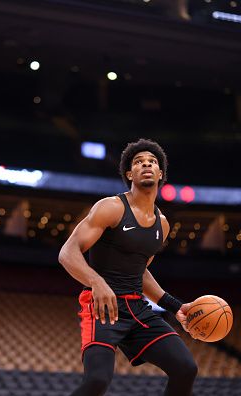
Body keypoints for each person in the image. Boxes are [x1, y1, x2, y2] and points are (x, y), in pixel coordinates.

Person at [59, 139, 198, 395]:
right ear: (129, 174)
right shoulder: (111, 207)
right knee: (97, 381)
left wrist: (176, 306)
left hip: (137, 309)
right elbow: (67, 252)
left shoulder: (162, 225)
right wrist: (96, 281)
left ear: (160, 174)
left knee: (186, 368)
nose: (146, 163)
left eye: (152, 162)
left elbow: (140, 271)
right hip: (103, 307)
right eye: (138, 162)